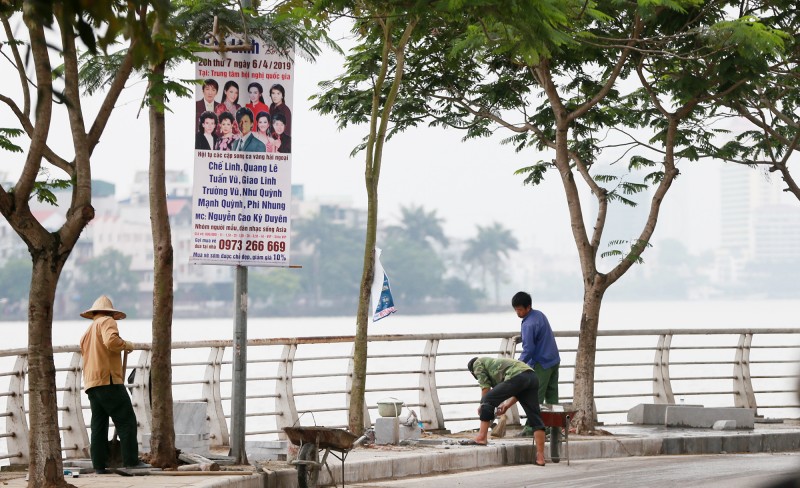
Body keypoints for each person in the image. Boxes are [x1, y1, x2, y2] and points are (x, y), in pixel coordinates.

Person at [79, 295, 149, 473]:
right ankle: (131, 461)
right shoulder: (107, 321)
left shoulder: (87, 332)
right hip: (108, 380)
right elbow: (111, 341)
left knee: (99, 425)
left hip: (91, 383)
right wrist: (127, 345)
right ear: (109, 312)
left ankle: (99, 466)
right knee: (126, 420)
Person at [468, 356, 547, 465]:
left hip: (518, 376)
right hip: (532, 377)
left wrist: (482, 405)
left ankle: (481, 437)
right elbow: (519, 391)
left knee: (487, 400)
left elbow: (486, 389)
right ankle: (540, 457)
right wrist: (506, 405)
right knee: (535, 417)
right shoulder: (493, 364)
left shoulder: (477, 363)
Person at [512, 291, 561, 437]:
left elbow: (529, 350)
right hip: (553, 359)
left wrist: (517, 365)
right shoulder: (539, 315)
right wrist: (523, 338)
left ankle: (531, 428)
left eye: (520, 310)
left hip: (541, 364)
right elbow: (539, 335)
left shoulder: (528, 324)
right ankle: (554, 428)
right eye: (516, 309)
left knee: (535, 397)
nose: (518, 313)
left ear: (528, 307)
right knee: (552, 397)